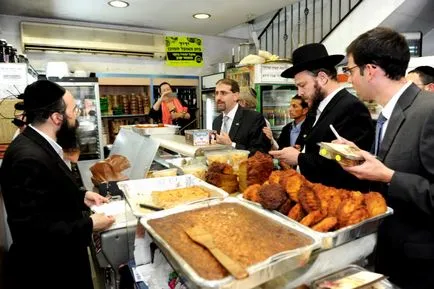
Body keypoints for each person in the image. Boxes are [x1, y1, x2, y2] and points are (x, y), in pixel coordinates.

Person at [336, 27, 434, 289]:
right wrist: (364, 158)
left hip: (420, 265)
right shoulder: (388, 114)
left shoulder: (428, 111)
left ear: (370, 70)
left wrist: (388, 176)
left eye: (350, 70)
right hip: (390, 252)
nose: (349, 79)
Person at [0, 80, 115, 289]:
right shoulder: (27, 158)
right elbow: (33, 234)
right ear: (56, 118)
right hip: (50, 272)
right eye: (74, 110)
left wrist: (80, 196)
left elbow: (48, 191)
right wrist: (90, 225)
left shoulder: (38, 141)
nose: (77, 115)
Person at [269, 43, 374, 191]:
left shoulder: (351, 108)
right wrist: (302, 150)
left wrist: (299, 158)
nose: (299, 93)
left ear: (323, 78)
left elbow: (345, 163)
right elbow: (325, 150)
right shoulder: (317, 109)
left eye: (302, 85)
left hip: (339, 202)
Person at [212, 78, 271, 154]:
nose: (218, 98)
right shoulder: (216, 121)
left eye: (223, 93)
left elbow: (260, 152)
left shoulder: (254, 118)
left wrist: (231, 145)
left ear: (235, 96)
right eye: (216, 93)